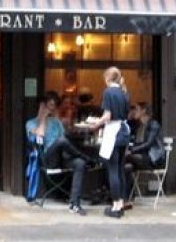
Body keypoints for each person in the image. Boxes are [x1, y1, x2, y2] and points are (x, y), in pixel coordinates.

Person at [25, 91, 93, 215]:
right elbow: (40, 134)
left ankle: (74, 204)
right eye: (50, 105)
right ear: (42, 105)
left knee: (80, 163)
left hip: (62, 157)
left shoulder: (56, 121)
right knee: (61, 141)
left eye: (53, 105)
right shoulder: (31, 123)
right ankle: (85, 157)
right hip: (48, 159)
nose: (52, 108)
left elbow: (65, 139)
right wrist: (43, 117)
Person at [89, 67, 131, 219]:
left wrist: (96, 123)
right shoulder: (124, 92)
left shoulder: (108, 92)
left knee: (112, 170)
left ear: (108, 78)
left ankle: (115, 205)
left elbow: (107, 116)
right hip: (124, 132)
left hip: (113, 132)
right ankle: (121, 203)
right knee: (119, 170)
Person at [124, 103, 164, 206]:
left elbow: (148, 143)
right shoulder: (139, 125)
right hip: (143, 157)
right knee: (126, 167)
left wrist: (131, 151)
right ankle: (126, 197)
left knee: (124, 158)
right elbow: (134, 141)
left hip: (153, 158)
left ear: (143, 111)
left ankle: (123, 197)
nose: (134, 112)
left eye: (137, 109)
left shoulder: (153, 124)